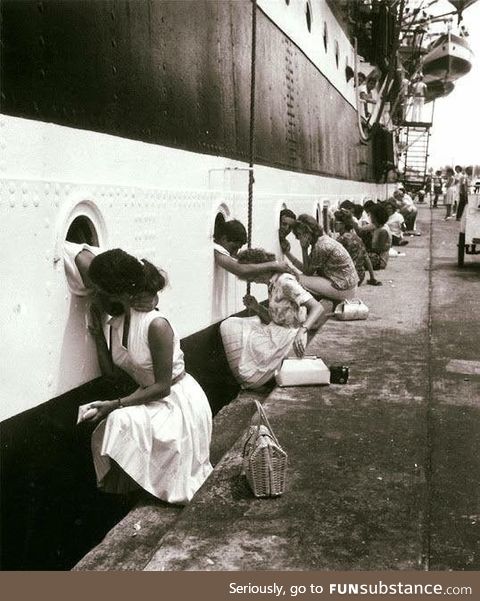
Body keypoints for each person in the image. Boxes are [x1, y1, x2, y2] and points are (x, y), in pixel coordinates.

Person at [77, 249, 213, 505]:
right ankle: (141, 488)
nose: (95, 292)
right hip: (150, 399)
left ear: (114, 291)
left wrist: (114, 405)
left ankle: (141, 490)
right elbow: (111, 374)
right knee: (116, 422)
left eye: (98, 289)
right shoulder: (117, 321)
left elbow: (162, 387)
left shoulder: (155, 324)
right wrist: (97, 336)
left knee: (118, 420)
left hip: (177, 403)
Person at [220, 248, 328, 389]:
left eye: (251, 277)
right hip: (276, 331)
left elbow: (317, 308)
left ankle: (263, 377)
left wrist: (303, 330)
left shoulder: (284, 282)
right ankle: (265, 375)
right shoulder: (272, 283)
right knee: (230, 325)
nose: (252, 281)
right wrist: (256, 307)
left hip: (288, 336)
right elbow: (275, 319)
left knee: (231, 329)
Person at [283, 214, 359, 302]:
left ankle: (315, 307)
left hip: (345, 289)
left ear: (310, 232)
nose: (300, 237)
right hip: (347, 285)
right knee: (301, 277)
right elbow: (306, 269)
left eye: (302, 234)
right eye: (299, 234)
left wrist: (304, 249)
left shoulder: (321, 246)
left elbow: (307, 272)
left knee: (296, 279)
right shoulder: (322, 240)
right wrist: (287, 253)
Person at [214, 218, 289, 278]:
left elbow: (239, 254)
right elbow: (240, 269)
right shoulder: (217, 251)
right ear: (224, 238)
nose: (235, 252)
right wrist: (274, 265)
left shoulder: (224, 247)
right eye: (234, 247)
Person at [334, 210, 381, 286]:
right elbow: (366, 258)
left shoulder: (341, 239)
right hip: (360, 276)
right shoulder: (357, 238)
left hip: (348, 278)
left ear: (343, 225)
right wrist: (372, 278)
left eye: (336, 223)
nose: (333, 224)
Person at [367, 204, 392, 270]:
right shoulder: (379, 227)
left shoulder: (383, 231)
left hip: (380, 260)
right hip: (377, 257)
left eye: (371, 215)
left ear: (376, 217)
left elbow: (378, 249)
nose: (370, 217)